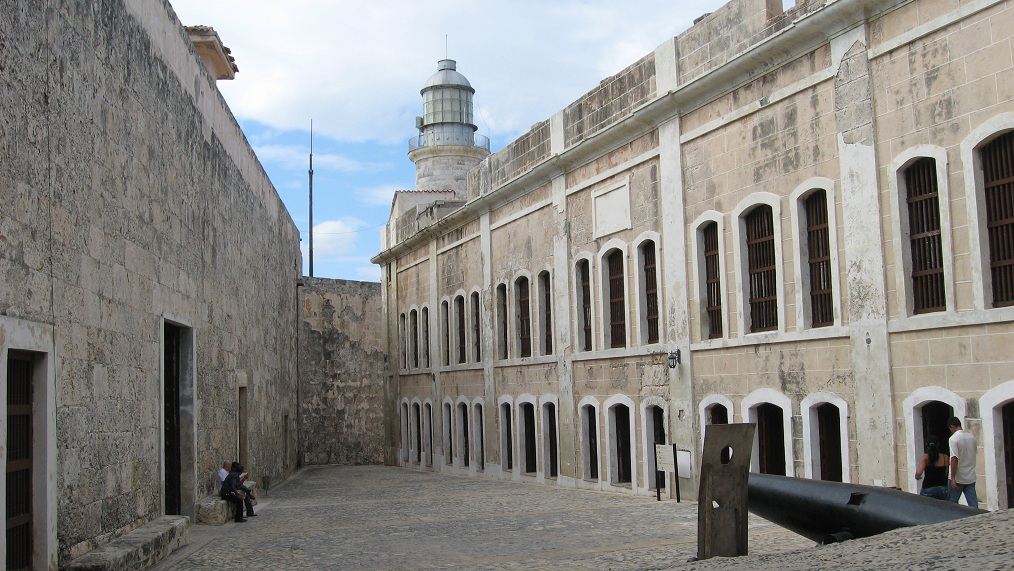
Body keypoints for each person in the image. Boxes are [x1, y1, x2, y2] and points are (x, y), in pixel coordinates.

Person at [947, 417, 978, 508]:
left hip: (958, 477)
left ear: (952, 427)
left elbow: (954, 459)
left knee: (952, 504)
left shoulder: (953, 439)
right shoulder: (972, 437)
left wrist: (953, 478)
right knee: (973, 504)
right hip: (970, 476)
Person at [914, 435, 948, 500]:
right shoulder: (945, 457)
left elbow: (919, 473)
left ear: (927, 445)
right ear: (938, 444)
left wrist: (917, 477)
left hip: (928, 488)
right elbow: (946, 473)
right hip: (942, 488)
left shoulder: (925, 457)